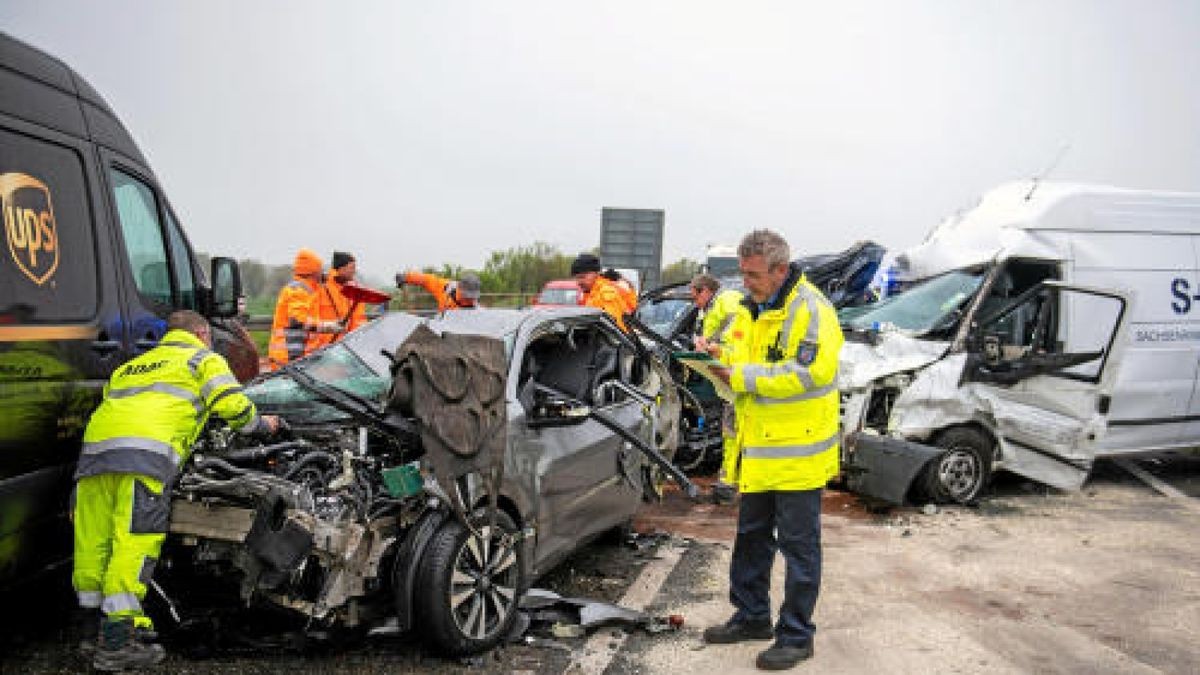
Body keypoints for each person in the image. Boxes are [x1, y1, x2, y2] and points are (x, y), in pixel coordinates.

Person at [72, 310, 280, 670]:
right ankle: (118, 646)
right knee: (131, 545)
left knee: (93, 544)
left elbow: (120, 405)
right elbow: (234, 408)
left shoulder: (134, 365)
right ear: (202, 334)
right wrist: (265, 424)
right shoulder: (203, 359)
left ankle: (91, 635)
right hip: (145, 462)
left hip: (93, 460)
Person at [702, 229, 844, 671]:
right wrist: (716, 358)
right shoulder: (755, 309)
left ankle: (797, 636)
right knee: (751, 541)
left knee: (800, 551)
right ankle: (751, 617)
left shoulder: (812, 309)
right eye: (743, 274)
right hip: (760, 452)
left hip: (799, 456)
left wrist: (739, 375)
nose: (746, 283)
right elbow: (748, 360)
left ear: (781, 270)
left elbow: (808, 374)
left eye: (753, 275)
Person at [268, 248, 344, 370]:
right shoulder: (298, 290)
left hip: (297, 358)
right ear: (313, 272)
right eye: (320, 269)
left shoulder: (309, 289)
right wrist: (328, 327)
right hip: (289, 358)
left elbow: (330, 279)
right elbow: (297, 320)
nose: (322, 273)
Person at [313, 251, 370, 349]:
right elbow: (311, 320)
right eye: (351, 267)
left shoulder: (355, 290)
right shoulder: (320, 287)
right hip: (322, 350)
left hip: (346, 349)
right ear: (341, 268)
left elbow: (358, 320)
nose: (354, 271)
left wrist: (359, 343)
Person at [571, 253, 629, 331]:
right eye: (577, 278)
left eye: (582, 277)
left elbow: (613, 328)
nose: (579, 282)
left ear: (596, 274)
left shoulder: (606, 293)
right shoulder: (589, 294)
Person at [396, 269, 481, 310]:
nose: (470, 299)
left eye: (472, 297)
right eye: (467, 296)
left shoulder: (477, 309)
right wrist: (406, 277)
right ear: (459, 288)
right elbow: (427, 280)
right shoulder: (446, 288)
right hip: (442, 328)